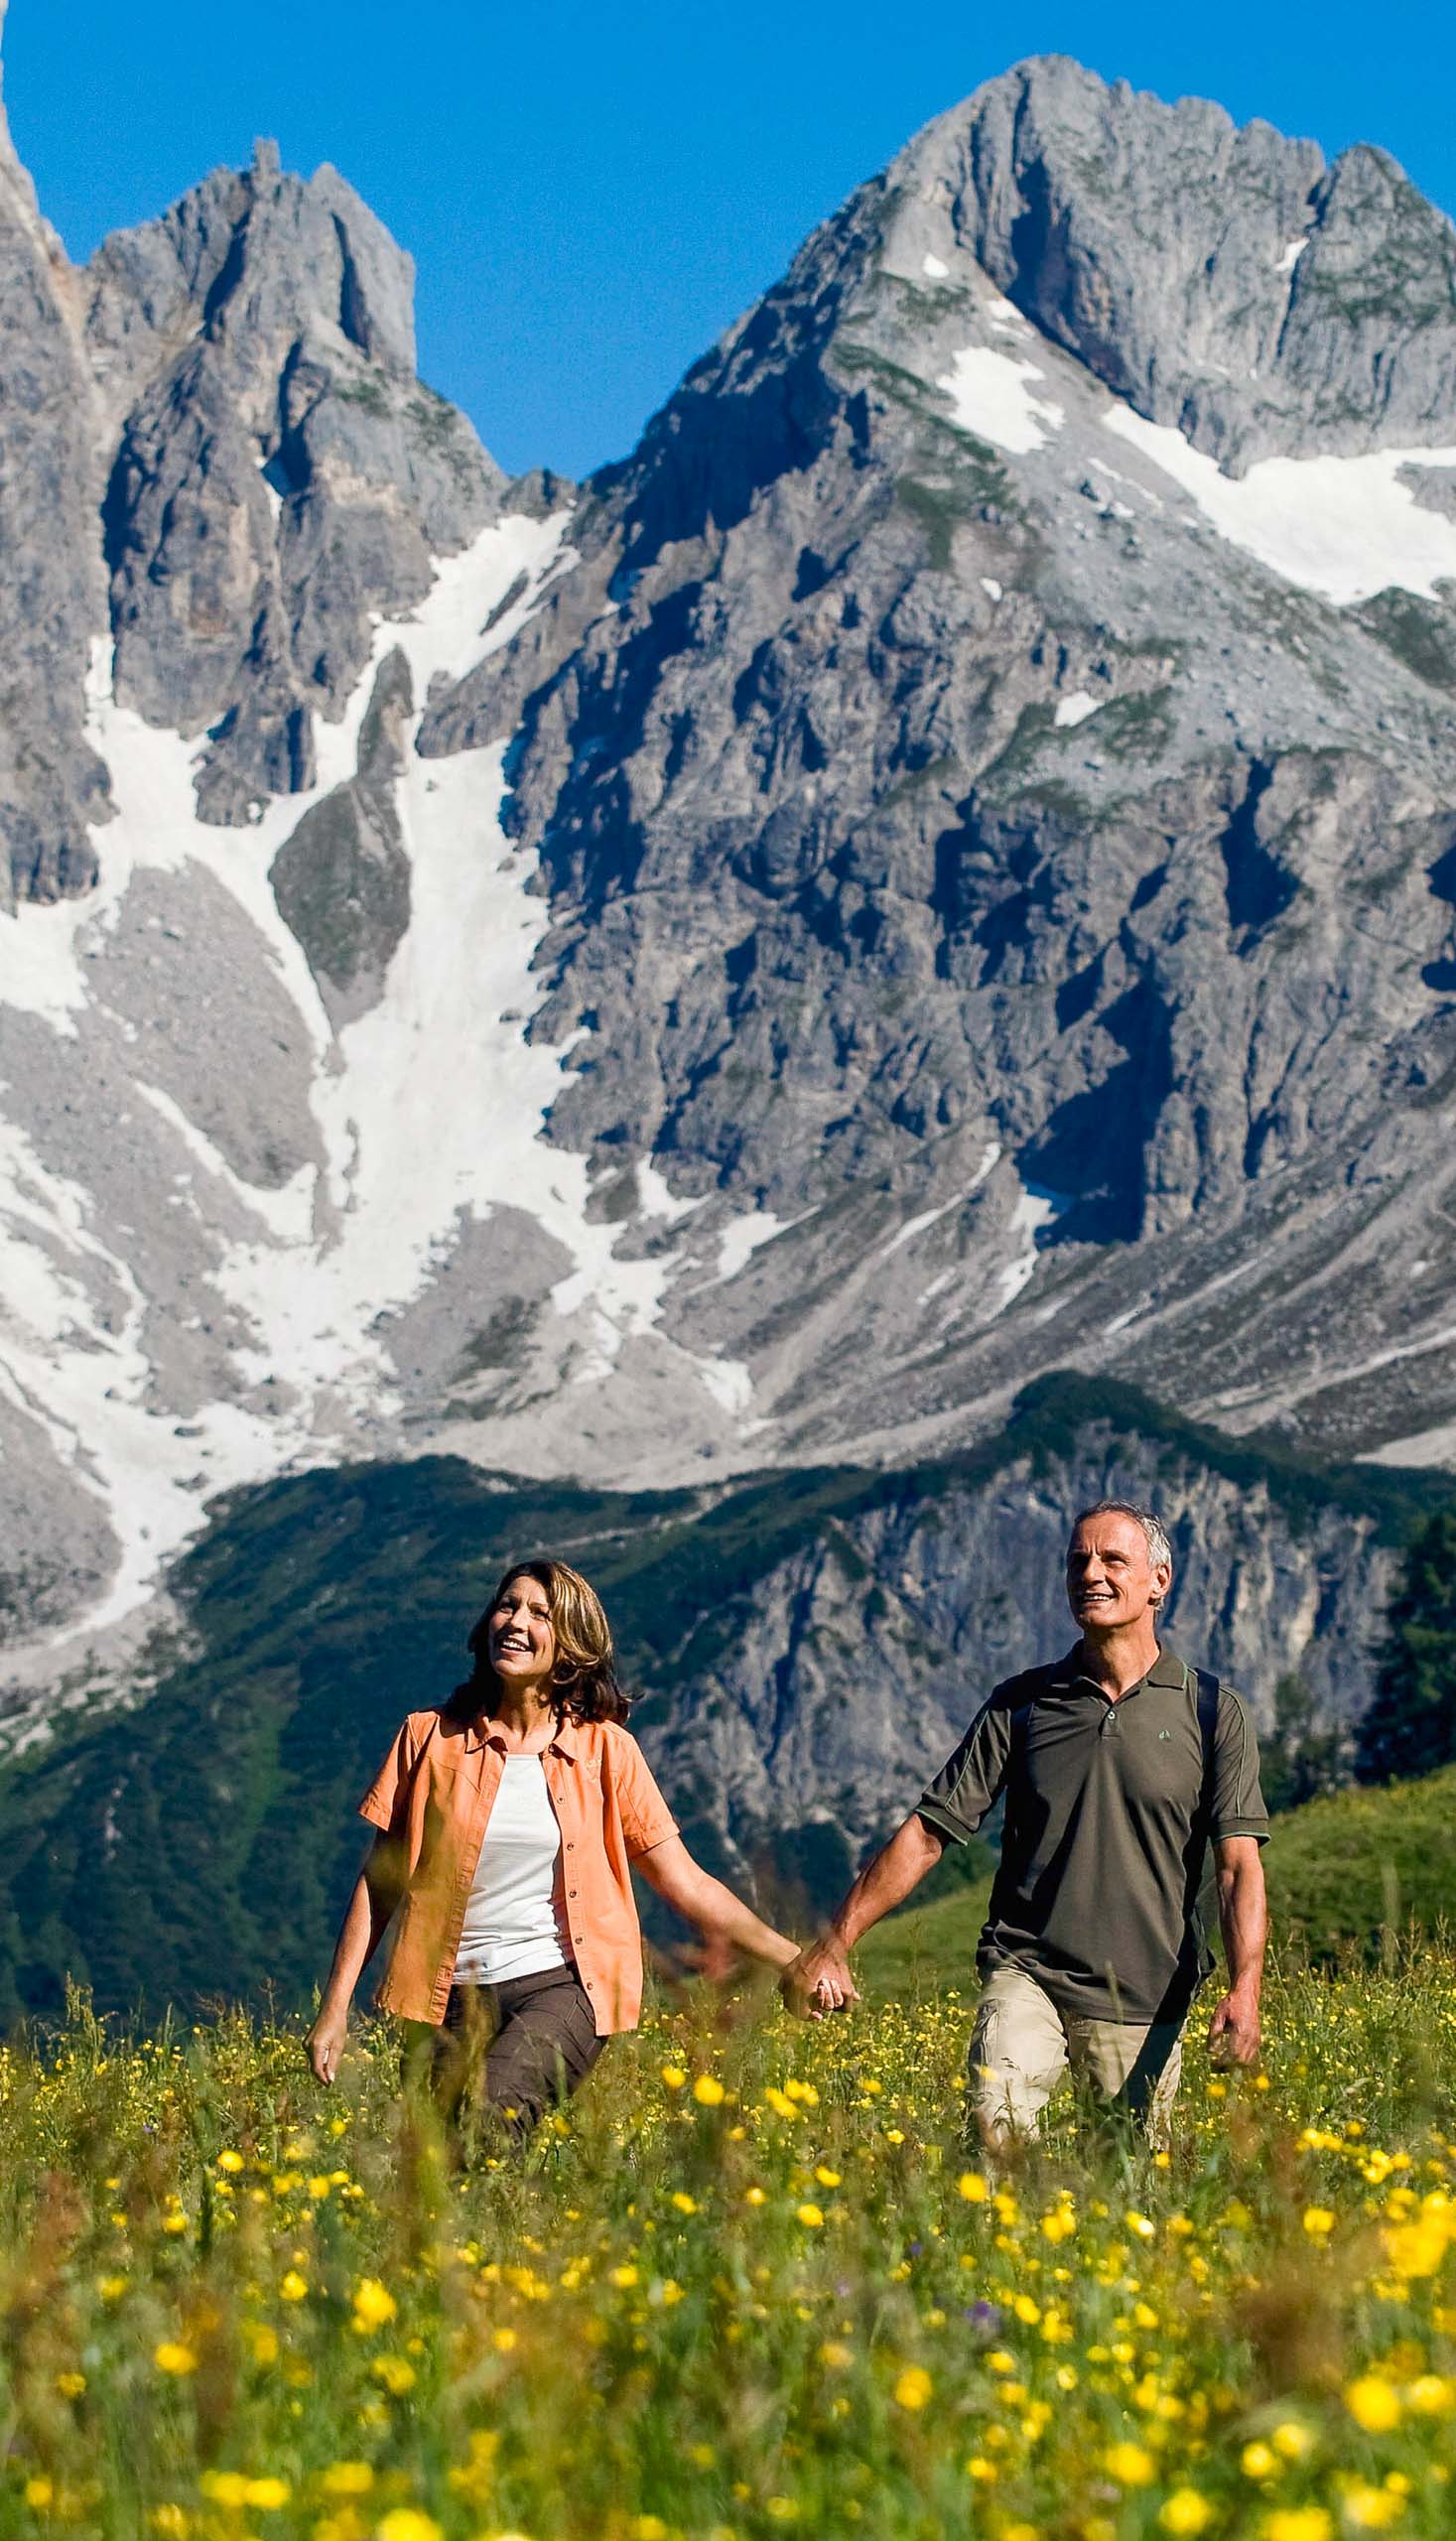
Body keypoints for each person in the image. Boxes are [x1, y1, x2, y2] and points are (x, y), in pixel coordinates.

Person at [781, 1501, 1268, 2148]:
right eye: (1077, 1562)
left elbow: (1236, 1867)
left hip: (1145, 1996)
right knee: (994, 2133)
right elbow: (928, 1834)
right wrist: (836, 1942)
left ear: (1158, 1580)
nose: (1089, 1574)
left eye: (1111, 1560)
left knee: (1126, 2191)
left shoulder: (1211, 1713)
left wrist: (1244, 1989)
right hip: (1025, 1971)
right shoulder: (1021, 1704)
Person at [308, 1556, 799, 2134]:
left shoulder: (606, 1752)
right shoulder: (427, 1738)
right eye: (507, 1606)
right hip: (444, 1997)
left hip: (562, 1984)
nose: (515, 1621)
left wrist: (793, 1960)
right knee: (437, 2174)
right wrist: (334, 2009)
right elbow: (379, 1883)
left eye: (539, 1613)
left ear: (570, 1646)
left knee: (490, 2121)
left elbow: (683, 1881)